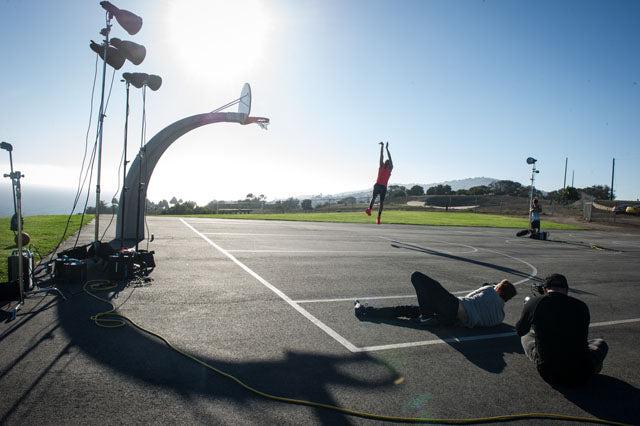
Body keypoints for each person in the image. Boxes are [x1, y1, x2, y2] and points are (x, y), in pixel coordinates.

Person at [515, 273, 608, 386]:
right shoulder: (581, 306)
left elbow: (520, 330)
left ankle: (540, 360)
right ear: (567, 289)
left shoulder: (534, 303)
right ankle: (594, 369)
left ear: (544, 289)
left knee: (526, 337)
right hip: (583, 372)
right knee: (600, 343)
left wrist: (527, 310)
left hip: (550, 374)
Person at [354, 271, 517, 328]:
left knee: (416, 277)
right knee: (408, 310)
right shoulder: (500, 317)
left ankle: (366, 311)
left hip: (453, 307)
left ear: (498, 288)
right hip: (451, 320)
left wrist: (490, 287)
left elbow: (469, 297)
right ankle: (368, 311)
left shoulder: (490, 291)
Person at [366, 142, 393, 224]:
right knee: (373, 198)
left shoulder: (390, 169)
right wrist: (382, 147)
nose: (387, 162)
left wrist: (387, 149)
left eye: (388, 162)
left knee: (381, 202)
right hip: (377, 185)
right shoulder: (381, 166)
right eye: (386, 162)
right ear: (384, 163)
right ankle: (369, 209)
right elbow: (381, 156)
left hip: (383, 187)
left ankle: (378, 217)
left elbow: (390, 158)